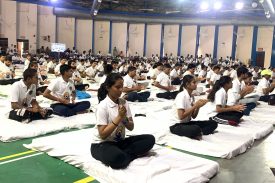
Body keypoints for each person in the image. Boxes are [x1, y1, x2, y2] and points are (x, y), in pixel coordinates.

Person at [91, 73, 155, 169]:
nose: (121, 90)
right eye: (117, 87)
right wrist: (119, 117)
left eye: (122, 87)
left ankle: (124, 155)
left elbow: (131, 127)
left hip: (119, 142)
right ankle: (125, 155)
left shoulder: (124, 103)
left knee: (150, 139)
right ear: (108, 88)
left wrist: (124, 119)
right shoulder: (103, 106)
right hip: (102, 144)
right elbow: (103, 134)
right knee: (117, 158)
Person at [169, 75, 218, 140]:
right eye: (194, 83)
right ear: (187, 84)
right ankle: (197, 132)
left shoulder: (191, 97)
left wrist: (198, 107)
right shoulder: (181, 96)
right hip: (176, 125)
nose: (196, 84)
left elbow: (193, 116)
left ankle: (197, 133)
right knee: (195, 129)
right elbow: (181, 117)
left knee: (213, 123)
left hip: (186, 123)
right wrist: (195, 106)